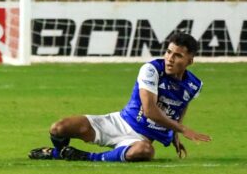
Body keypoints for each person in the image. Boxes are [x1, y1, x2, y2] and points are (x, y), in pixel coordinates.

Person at [29, 33, 211, 163]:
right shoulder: (152, 69)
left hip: (139, 139)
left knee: (145, 151)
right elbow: (149, 110)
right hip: (118, 122)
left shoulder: (194, 85)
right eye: (169, 52)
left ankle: (85, 157)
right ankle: (58, 153)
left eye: (178, 55)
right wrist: (182, 129)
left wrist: (175, 135)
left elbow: (181, 106)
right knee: (59, 128)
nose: (170, 58)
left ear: (190, 61)